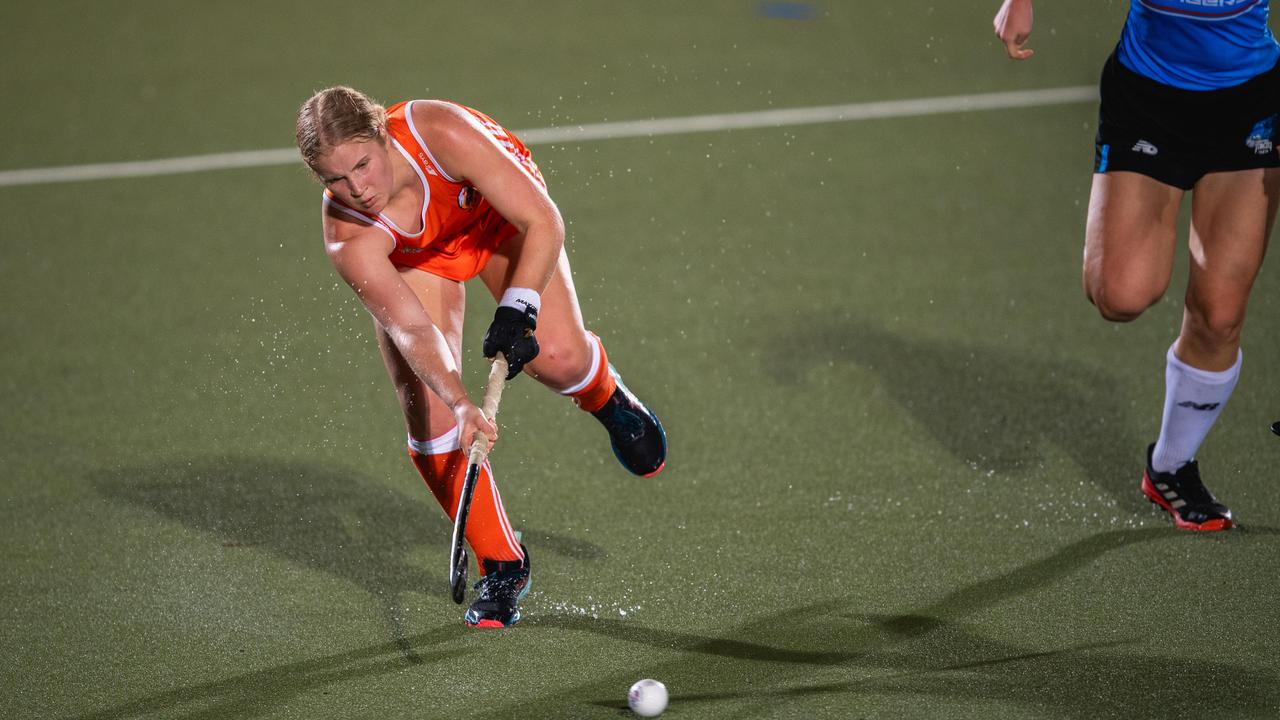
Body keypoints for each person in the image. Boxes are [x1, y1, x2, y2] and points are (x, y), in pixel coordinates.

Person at [294, 87, 668, 626]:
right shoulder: (347, 236)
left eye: (363, 165)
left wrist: (519, 308)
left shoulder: (436, 133)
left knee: (556, 357)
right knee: (431, 418)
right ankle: (503, 565)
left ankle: (605, 396)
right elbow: (411, 330)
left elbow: (544, 221)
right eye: (336, 179)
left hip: (496, 217)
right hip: (418, 258)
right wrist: (462, 400)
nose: (358, 189)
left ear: (382, 134)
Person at [994, 0, 1279, 530]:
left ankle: (1170, 467)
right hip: (1148, 102)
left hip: (1250, 103)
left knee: (1220, 315)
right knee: (1120, 294)